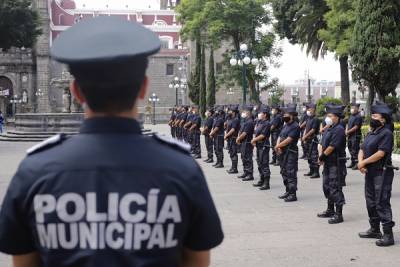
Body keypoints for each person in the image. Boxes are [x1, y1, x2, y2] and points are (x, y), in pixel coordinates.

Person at [0, 17, 224, 266]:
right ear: (143, 88)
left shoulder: (34, 172)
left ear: (76, 91)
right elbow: (197, 261)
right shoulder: (182, 170)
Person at [357, 102, 396, 247]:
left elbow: (381, 153)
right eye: (372, 115)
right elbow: (362, 147)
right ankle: (374, 229)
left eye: (375, 115)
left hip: (382, 172)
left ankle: (388, 235)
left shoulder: (386, 133)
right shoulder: (372, 132)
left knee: (381, 202)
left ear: (383, 119)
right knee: (370, 201)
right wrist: (361, 163)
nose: (372, 117)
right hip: (370, 171)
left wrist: (362, 163)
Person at [317, 104, 346, 224]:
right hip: (328, 162)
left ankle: (339, 214)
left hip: (336, 162)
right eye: (327, 115)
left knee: (335, 187)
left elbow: (332, 146)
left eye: (330, 115)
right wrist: (321, 155)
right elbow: (322, 143)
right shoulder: (329, 128)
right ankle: (330, 209)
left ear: (337, 117)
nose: (327, 117)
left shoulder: (339, 129)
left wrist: (322, 156)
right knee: (327, 186)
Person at [274, 104, 300, 202]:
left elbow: (289, 139)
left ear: (292, 115)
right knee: (284, 171)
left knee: (290, 172)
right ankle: (288, 191)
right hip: (282, 152)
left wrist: (278, 146)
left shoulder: (295, 126)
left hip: (291, 152)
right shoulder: (285, 126)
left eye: (287, 114)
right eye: (284, 113)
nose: (284, 115)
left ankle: (293, 194)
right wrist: (278, 146)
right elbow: (280, 137)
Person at [251, 106, 272, 190]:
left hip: (264, 145)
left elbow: (263, 135)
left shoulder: (267, 123)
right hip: (259, 145)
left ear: (265, 114)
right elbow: (256, 131)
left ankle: (266, 183)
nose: (259, 114)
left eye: (261, 113)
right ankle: (261, 179)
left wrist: (253, 140)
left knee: (264, 163)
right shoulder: (259, 122)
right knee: (259, 163)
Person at [236, 106, 255, 181]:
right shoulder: (246, 121)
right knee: (243, 157)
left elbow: (244, 133)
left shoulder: (250, 122)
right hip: (243, 142)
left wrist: (238, 138)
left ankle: (250, 174)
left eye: (244, 111)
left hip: (247, 142)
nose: (243, 113)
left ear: (248, 112)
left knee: (248, 158)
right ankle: (246, 172)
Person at [302, 103, 320, 179]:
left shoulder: (316, 119)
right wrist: (304, 136)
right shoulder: (308, 118)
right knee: (309, 156)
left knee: (314, 156)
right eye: (307, 109)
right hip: (308, 140)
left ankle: (316, 172)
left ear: (313, 109)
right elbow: (306, 128)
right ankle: (311, 170)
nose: (308, 110)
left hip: (313, 139)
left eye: (309, 109)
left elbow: (313, 130)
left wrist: (305, 136)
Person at [346, 103, 363, 170]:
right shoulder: (351, 116)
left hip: (355, 135)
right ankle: (353, 162)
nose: (352, 109)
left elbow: (356, 127)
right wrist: (346, 130)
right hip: (350, 135)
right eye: (351, 107)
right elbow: (348, 124)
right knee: (350, 148)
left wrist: (348, 132)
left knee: (355, 150)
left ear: (357, 108)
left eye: (353, 107)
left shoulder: (358, 116)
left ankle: (357, 163)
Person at [224, 105, 240, 174]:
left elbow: (233, 129)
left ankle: (234, 168)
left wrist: (226, 135)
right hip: (229, 139)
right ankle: (233, 167)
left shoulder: (236, 119)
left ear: (233, 112)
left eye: (230, 111)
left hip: (233, 138)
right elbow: (227, 127)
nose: (228, 112)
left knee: (233, 153)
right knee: (231, 153)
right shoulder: (230, 119)